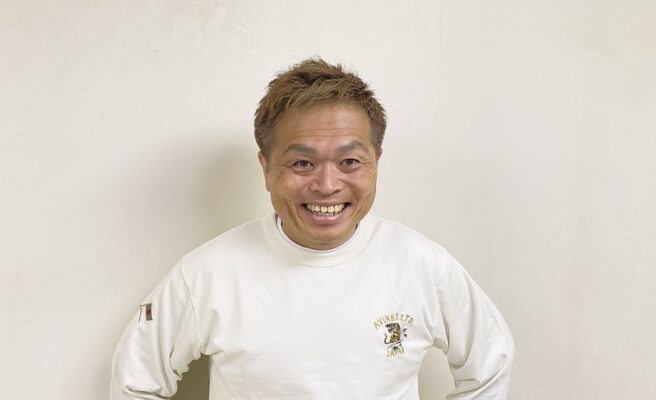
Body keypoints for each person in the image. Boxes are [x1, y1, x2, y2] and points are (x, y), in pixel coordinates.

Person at [111, 58, 514, 399]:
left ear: (376, 162)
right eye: (302, 163)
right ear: (266, 168)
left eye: (349, 162)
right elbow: (135, 380)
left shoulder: (422, 264)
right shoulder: (207, 273)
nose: (327, 185)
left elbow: (491, 362)